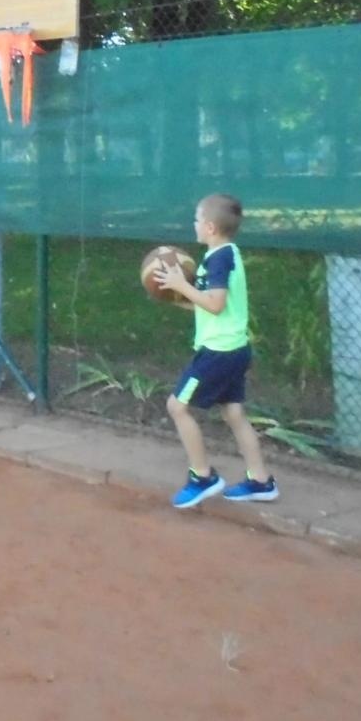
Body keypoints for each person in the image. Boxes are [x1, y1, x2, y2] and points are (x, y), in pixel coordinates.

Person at [156, 192, 278, 508]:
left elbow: (215, 302)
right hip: (234, 349)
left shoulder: (219, 258)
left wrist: (182, 286)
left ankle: (203, 476)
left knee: (177, 407)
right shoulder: (227, 253)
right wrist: (176, 296)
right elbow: (209, 306)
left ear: (209, 227)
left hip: (218, 353)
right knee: (234, 413)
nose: (193, 225)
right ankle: (261, 481)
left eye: (197, 220)